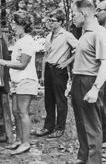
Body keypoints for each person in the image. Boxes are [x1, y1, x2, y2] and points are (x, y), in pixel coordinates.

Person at [67, 0, 106, 164]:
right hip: (78, 80)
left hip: (90, 81)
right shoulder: (84, 33)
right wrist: (71, 84)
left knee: (92, 125)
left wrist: (95, 88)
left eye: (73, 14)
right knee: (80, 122)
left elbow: (105, 62)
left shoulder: (99, 33)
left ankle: (94, 161)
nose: (73, 18)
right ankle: (83, 157)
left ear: (83, 13)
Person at [0, 10, 39, 155]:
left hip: (27, 80)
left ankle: (26, 143)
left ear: (22, 24)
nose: (12, 25)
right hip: (17, 81)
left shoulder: (28, 41)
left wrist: (1, 62)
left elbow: (22, 64)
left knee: (23, 112)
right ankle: (19, 140)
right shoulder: (19, 41)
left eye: (14, 23)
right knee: (16, 111)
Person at [35, 9, 78, 138]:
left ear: (60, 22)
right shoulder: (49, 35)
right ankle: (48, 127)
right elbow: (45, 55)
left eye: (53, 21)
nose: (50, 23)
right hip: (48, 69)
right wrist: (42, 75)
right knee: (48, 100)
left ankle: (60, 128)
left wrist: (67, 62)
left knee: (60, 100)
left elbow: (79, 49)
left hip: (59, 70)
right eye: (49, 20)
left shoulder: (66, 35)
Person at [96, 0, 106, 153]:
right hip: (102, 76)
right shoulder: (102, 29)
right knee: (101, 109)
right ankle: (105, 141)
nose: (97, 13)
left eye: (100, 9)